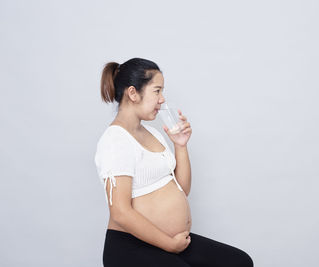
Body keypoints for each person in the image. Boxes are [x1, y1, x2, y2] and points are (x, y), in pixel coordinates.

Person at [95, 57, 254, 266]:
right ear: (133, 93)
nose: (162, 99)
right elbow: (120, 212)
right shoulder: (115, 140)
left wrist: (180, 145)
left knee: (239, 262)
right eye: (157, 91)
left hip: (169, 241)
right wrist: (169, 245)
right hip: (131, 246)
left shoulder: (152, 133)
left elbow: (182, 189)